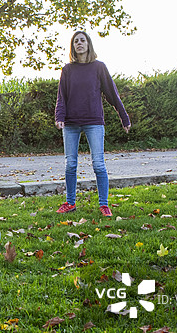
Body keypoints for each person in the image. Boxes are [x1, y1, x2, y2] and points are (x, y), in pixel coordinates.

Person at [54, 31, 131, 217]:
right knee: (70, 164)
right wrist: (59, 116)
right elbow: (61, 96)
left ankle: (104, 204)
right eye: (76, 41)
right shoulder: (67, 70)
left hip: (94, 121)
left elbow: (112, 94)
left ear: (89, 44)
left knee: (98, 164)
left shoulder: (99, 67)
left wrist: (124, 117)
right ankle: (70, 203)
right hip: (71, 123)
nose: (79, 43)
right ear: (73, 46)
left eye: (83, 40)